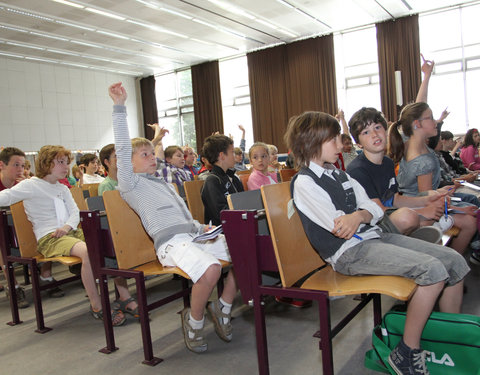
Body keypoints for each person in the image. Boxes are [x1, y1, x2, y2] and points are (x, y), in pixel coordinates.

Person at [285, 111, 469, 375]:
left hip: (372, 237)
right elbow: (341, 227)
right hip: (348, 254)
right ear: (313, 142)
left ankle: (448, 339)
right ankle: (407, 352)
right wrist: (362, 215)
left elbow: (376, 210)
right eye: (334, 139)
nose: (340, 144)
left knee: (455, 261)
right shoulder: (305, 182)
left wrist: (360, 214)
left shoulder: (340, 175)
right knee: (433, 271)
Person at [109, 82, 237, 353]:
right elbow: (121, 148)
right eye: (144, 154)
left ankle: (222, 307)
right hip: (170, 245)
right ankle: (195, 321)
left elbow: (184, 218)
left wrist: (201, 226)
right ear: (127, 164)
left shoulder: (164, 184)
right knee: (212, 268)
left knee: (245, 248)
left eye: (150, 152)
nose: (151, 156)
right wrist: (119, 107)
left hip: (192, 236)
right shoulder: (131, 185)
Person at [0, 145, 131, 326]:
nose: (66, 167)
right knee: (87, 251)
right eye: (60, 162)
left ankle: (124, 297)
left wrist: (67, 227)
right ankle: (97, 304)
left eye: (66, 162)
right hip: (49, 238)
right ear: (46, 164)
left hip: (70, 232)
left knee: (111, 244)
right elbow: (4, 197)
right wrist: (63, 230)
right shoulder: (30, 185)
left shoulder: (62, 188)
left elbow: (75, 212)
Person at [388, 102, 477, 255]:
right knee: (470, 222)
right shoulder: (424, 161)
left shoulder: (407, 142)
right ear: (417, 124)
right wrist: (458, 208)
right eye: (431, 118)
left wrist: (426, 78)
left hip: (414, 204)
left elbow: (418, 105)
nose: (436, 122)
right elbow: (427, 199)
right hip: (418, 209)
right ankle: (451, 260)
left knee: (469, 215)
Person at [346, 107, 444, 240]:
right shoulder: (358, 170)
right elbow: (378, 210)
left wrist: (425, 201)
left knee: (430, 204)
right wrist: (422, 211)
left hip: (388, 214)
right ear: (358, 143)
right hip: (372, 224)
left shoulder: (387, 163)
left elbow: (394, 198)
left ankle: (413, 242)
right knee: (408, 217)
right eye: (366, 132)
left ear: (385, 130)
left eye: (378, 127)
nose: (374, 134)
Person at [201, 134, 244, 226]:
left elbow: (243, 201)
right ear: (222, 156)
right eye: (232, 152)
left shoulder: (234, 178)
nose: (234, 156)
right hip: (222, 232)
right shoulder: (212, 181)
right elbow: (221, 214)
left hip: (238, 224)